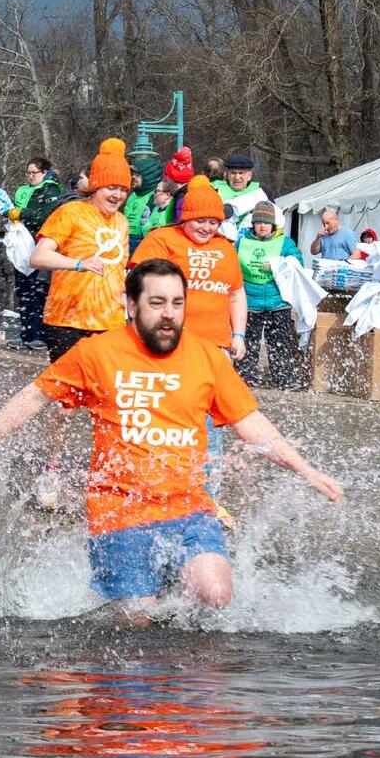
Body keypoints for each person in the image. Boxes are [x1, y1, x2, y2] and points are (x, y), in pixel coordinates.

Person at [0, 259, 344, 615]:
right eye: (157, 304)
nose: (169, 315)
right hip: (120, 509)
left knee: (217, 594)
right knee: (136, 619)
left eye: (176, 303)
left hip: (188, 506)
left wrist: (306, 470)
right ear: (132, 306)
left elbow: (250, 421)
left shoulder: (206, 357)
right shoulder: (97, 353)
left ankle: (172, 595)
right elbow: (35, 396)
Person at [131, 175, 247, 528]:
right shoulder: (162, 239)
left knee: (211, 424)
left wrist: (238, 333)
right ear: (185, 217)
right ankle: (151, 489)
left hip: (214, 347)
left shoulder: (226, 247)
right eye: (200, 220)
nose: (206, 227)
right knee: (162, 418)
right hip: (169, 343)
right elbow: (135, 283)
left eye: (213, 221)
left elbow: (235, 293)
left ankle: (206, 497)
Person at [30, 138, 132, 362]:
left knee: (105, 391)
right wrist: (79, 264)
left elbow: (117, 270)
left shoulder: (122, 222)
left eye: (124, 189)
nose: (118, 195)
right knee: (67, 391)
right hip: (67, 319)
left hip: (110, 321)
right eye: (111, 188)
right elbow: (38, 257)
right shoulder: (71, 212)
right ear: (95, 187)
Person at [235, 201, 305, 389]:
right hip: (250, 301)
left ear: (273, 224)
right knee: (249, 342)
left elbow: (297, 263)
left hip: (278, 302)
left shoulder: (285, 242)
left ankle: (285, 379)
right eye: (259, 222)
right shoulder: (242, 241)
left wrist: (278, 263)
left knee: (281, 343)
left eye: (266, 222)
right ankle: (244, 378)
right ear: (253, 224)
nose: (263, 226)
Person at [10, 157, 63, 350]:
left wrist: (21, 214)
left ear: (44, 173)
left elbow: (45, 216)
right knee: (22, 291)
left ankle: (39, 333)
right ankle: (25, 333)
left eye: (34, 173)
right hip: (20, 246)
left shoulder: (51, 190)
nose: (31, 176)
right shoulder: (23, 191)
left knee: (37, 291)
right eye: (28, 173)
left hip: (39, 245)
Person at [211, 154, 273, 236]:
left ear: (249, 175)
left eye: (241, 173)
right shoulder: (215, 190)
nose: (237, 177)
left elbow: (275, 218)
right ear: (227, 174)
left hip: (251, 239)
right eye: (233, 173)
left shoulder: (262, 191)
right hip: (221, 238)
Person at [123, 156, 162, 255]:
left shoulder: (155, 197)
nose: (133, 177)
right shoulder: (132, 195)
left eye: (137, 175)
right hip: (126, 240)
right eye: (132, 174)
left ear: (148, 176)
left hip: (143, 243)